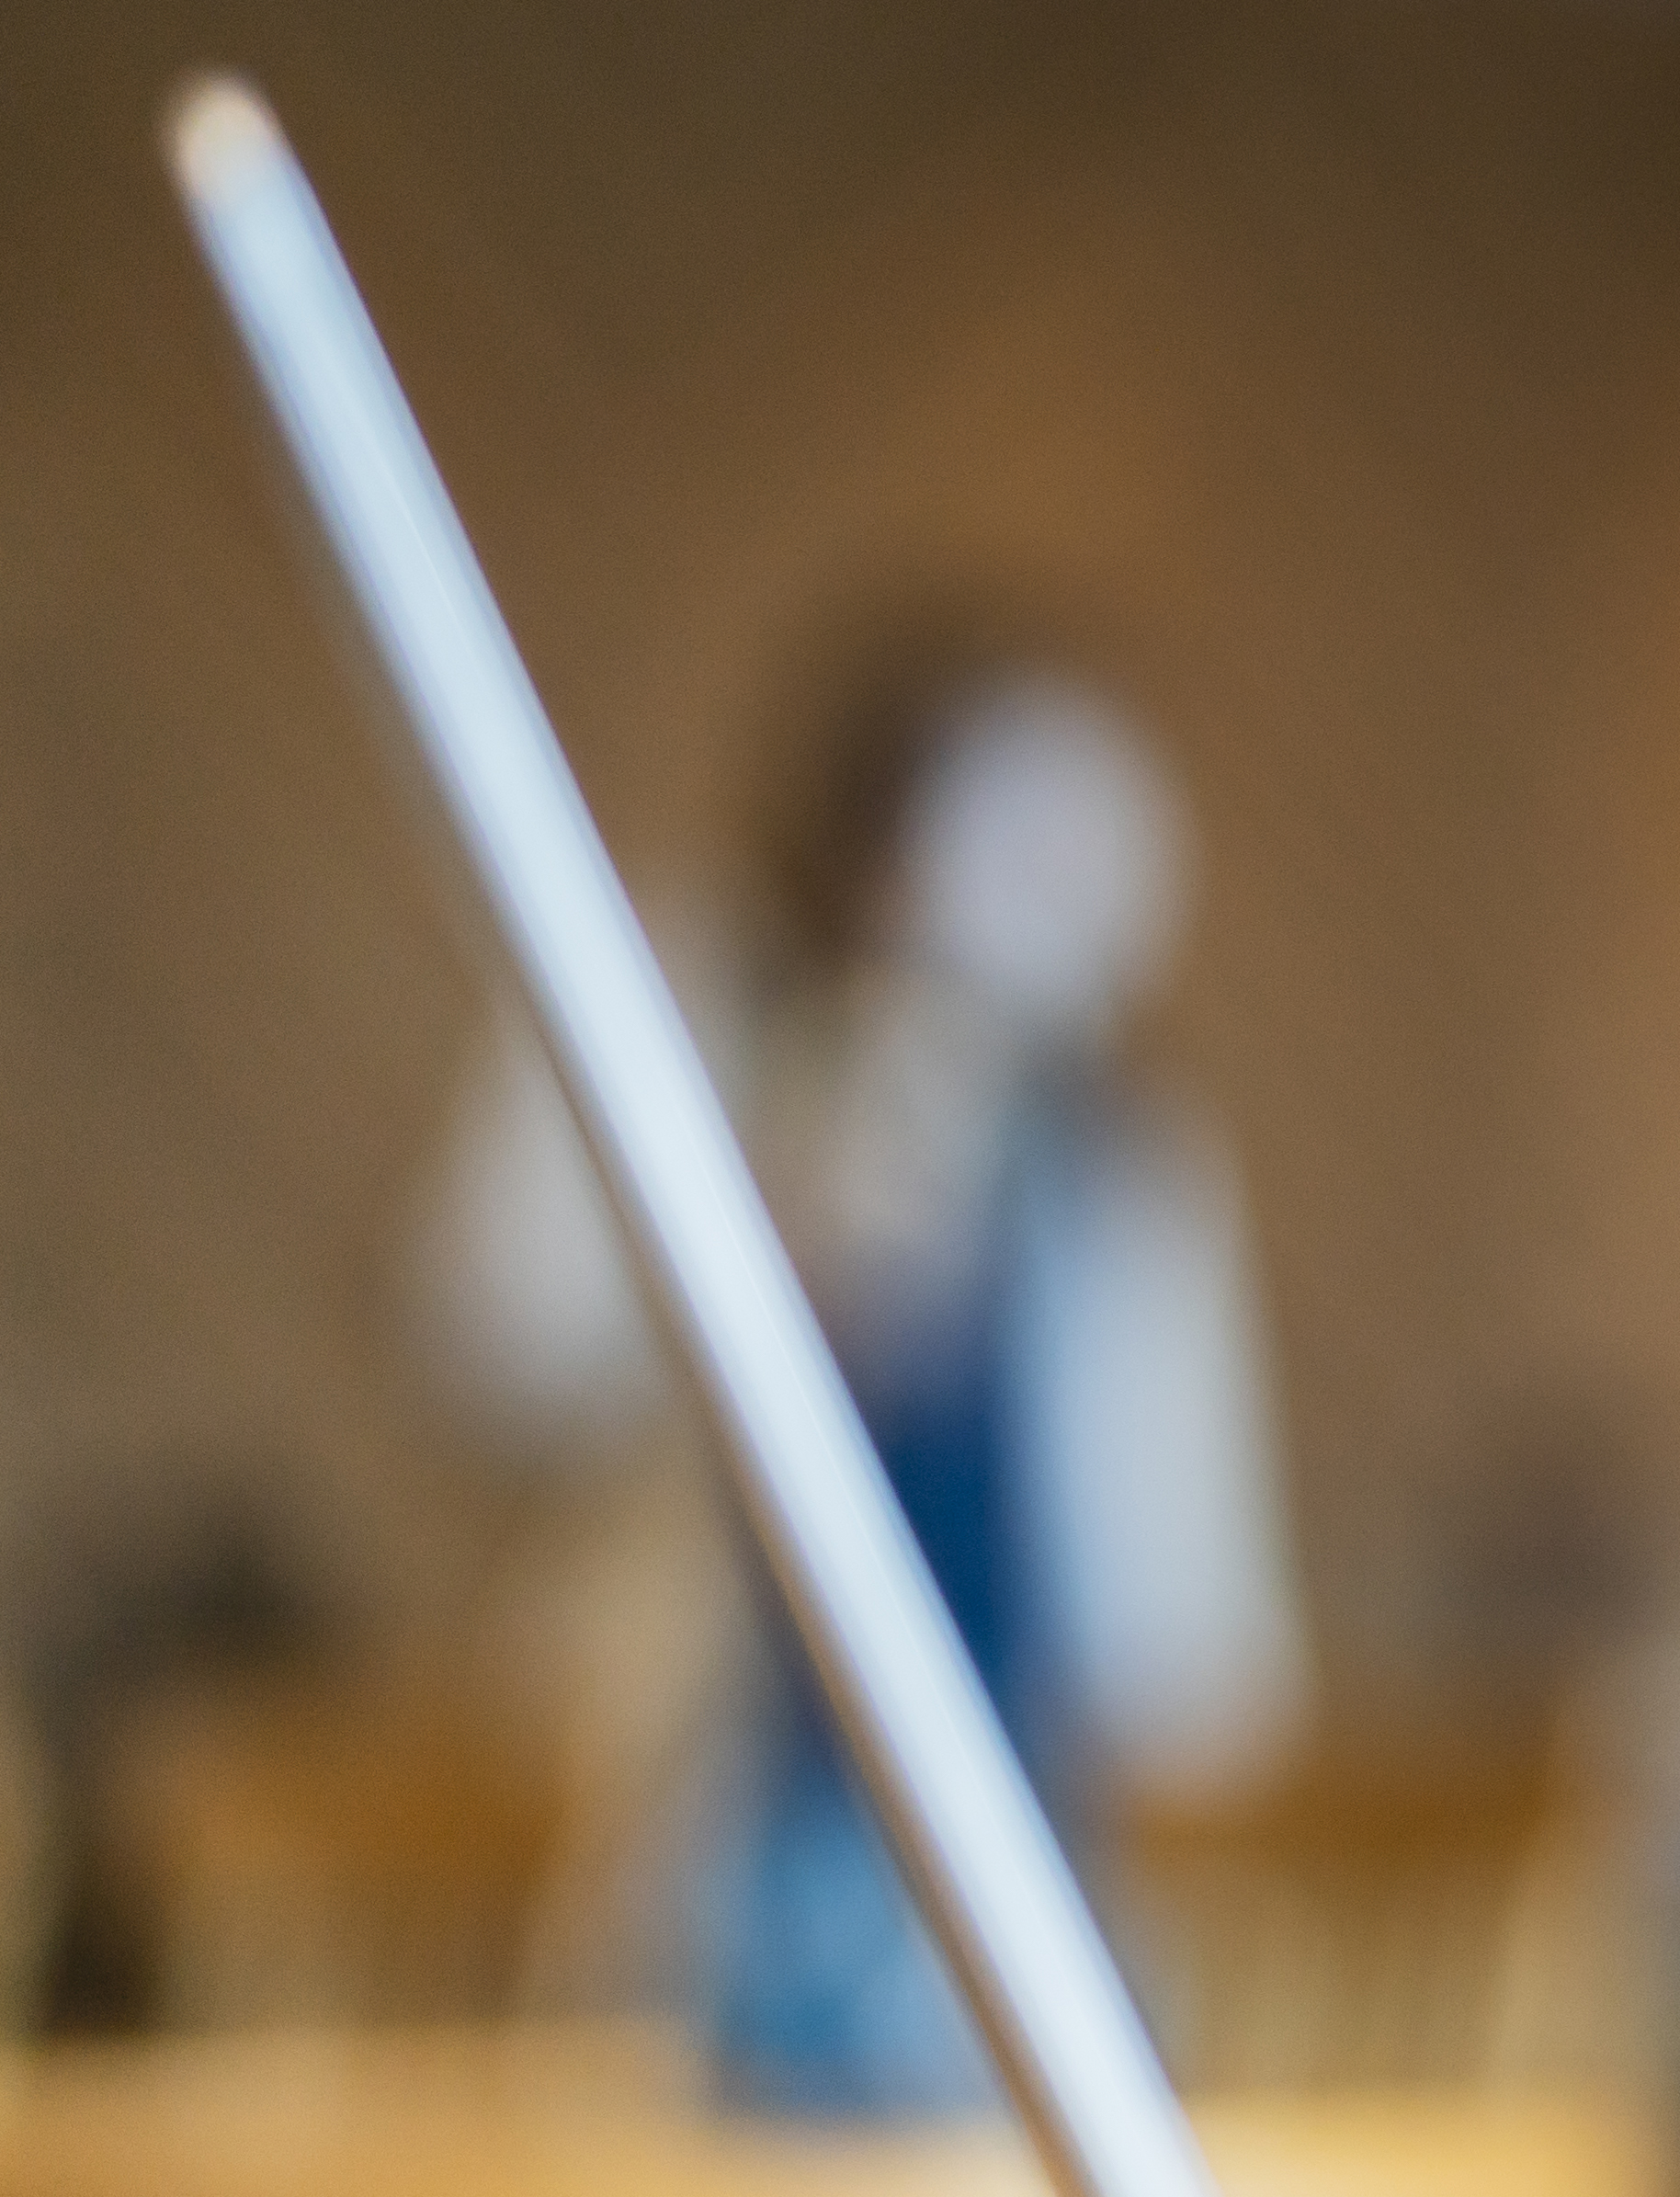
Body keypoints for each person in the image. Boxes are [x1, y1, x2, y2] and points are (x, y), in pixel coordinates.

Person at [428, 637, 1304, 2113]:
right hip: (695, 1832)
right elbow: (493, 1345)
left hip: (1032, 1875)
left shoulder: (1121, 1165)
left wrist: (1221, 1846)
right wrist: (770, 1242)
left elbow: (1194, 1597)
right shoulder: (687, 1013)